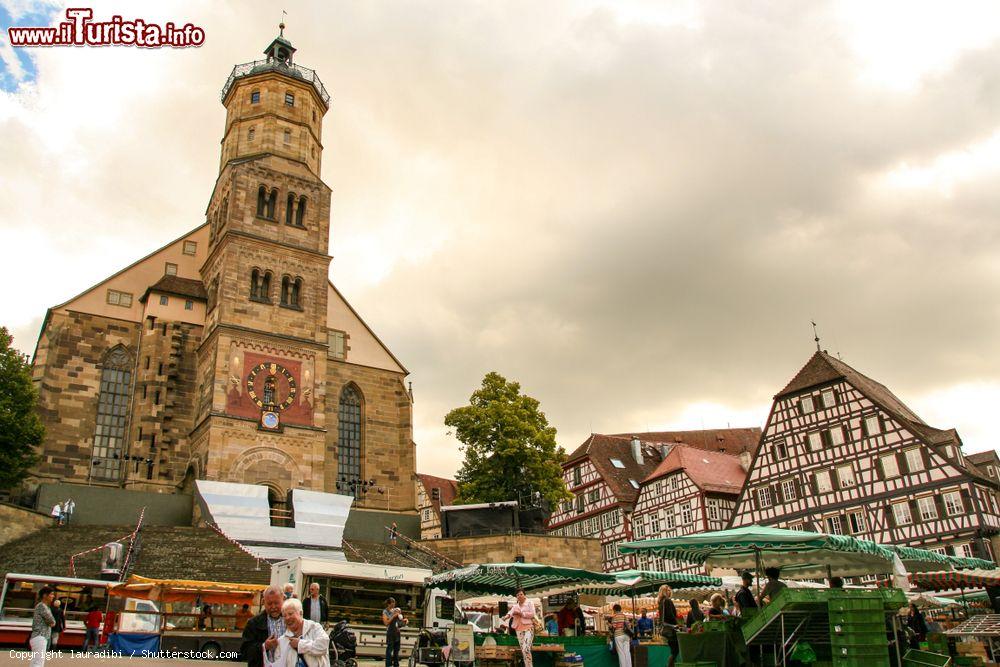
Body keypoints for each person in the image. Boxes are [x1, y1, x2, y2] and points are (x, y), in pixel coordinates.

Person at [241, 586, 286, 667]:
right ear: (263, 602)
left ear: (283, 600)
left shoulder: (291, 620)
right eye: (269, 603)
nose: (273, 607)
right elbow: (245, 651)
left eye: (276, 603)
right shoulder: (253, 623)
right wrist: (264, 646)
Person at [280, 597, 330, 667]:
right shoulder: (282, 640)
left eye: (290, 614)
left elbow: (323, 646)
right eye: (284, 616)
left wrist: (300, 644)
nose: (287, 618)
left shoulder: (314, 628)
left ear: (301, 613)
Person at [509, 588, 536, 667]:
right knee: (524, 651)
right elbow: (510, 613)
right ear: (516, 597)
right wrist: (506, 617)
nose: (519, 596)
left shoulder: (529, 603)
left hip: (528, 628)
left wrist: (521, 614)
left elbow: (532, 614)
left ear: (524, 595)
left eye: (521, 594)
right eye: (517, 595)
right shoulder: (515, 606)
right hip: (518, 629)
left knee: (526, 648)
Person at [29, 586, 56, 667]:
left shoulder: (44, 606)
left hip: (39, 637)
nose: (53, 596)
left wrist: (51, 623)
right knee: (38, 663)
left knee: (35, 662)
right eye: (51, 594)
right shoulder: (42, 606)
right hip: (40, 636)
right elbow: (52, 621)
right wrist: (51, 623)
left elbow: (51, 622)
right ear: (45, 595)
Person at [656, 585, 678, 667]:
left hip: (666, 628)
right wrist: (677, 624)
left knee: (674, 650)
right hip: (671, 629)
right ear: (664, 591)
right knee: (675, 651)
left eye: (670, 590)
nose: (669, 591)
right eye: (667, 590)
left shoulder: (661, 601)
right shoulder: (668, 601)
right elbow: (670, 615)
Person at [382, 597, 405, 667]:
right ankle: (388, 665)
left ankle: (396, 664)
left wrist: (404, 621)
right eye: (392, 604)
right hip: (390, 633)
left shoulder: (395, 610)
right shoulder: (385, 612)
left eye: (394, 604)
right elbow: (386, 623)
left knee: (396, 650)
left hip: (397, 633)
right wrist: (393, 616)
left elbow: (399, 623)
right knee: (389, 650)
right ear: (388, 604)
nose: (393, 606)